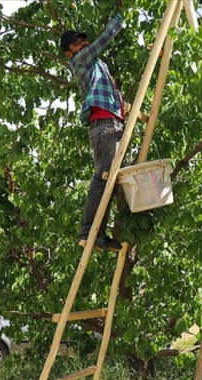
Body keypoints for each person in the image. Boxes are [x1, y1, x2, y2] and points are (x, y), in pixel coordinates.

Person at [60, 8, 126, 252]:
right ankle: (88, 232)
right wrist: (119, 16)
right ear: (70, 53)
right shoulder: (80, 60)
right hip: (104, 127)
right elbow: (104, 39)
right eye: (77, 43)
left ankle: (97, 232)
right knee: (103, 178)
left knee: (111, 180)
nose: (83, 44)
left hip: (112, 125)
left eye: (82, 40)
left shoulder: (99, 66)